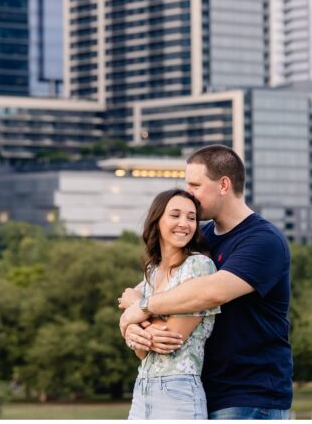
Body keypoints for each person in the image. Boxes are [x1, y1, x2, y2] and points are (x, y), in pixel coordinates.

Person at [119, 145, 293, 419]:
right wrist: (131, 326)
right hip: (199, 386)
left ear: (224, 184)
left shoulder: (263, 240)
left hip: (249, 394)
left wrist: (140, 308)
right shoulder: (201, 236)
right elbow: (140, 291)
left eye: (195, 185)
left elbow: (210, 293)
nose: (189, 194)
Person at [126, 189, 220, 420]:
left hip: (179, 391)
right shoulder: (151, 272)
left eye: (191, 217)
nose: (184, 224)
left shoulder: (199, 266)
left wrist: (135, 314)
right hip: (142, 388)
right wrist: (132, 325)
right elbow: (140, 352)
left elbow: (170, 339)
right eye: (175, 215)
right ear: (157, 220)